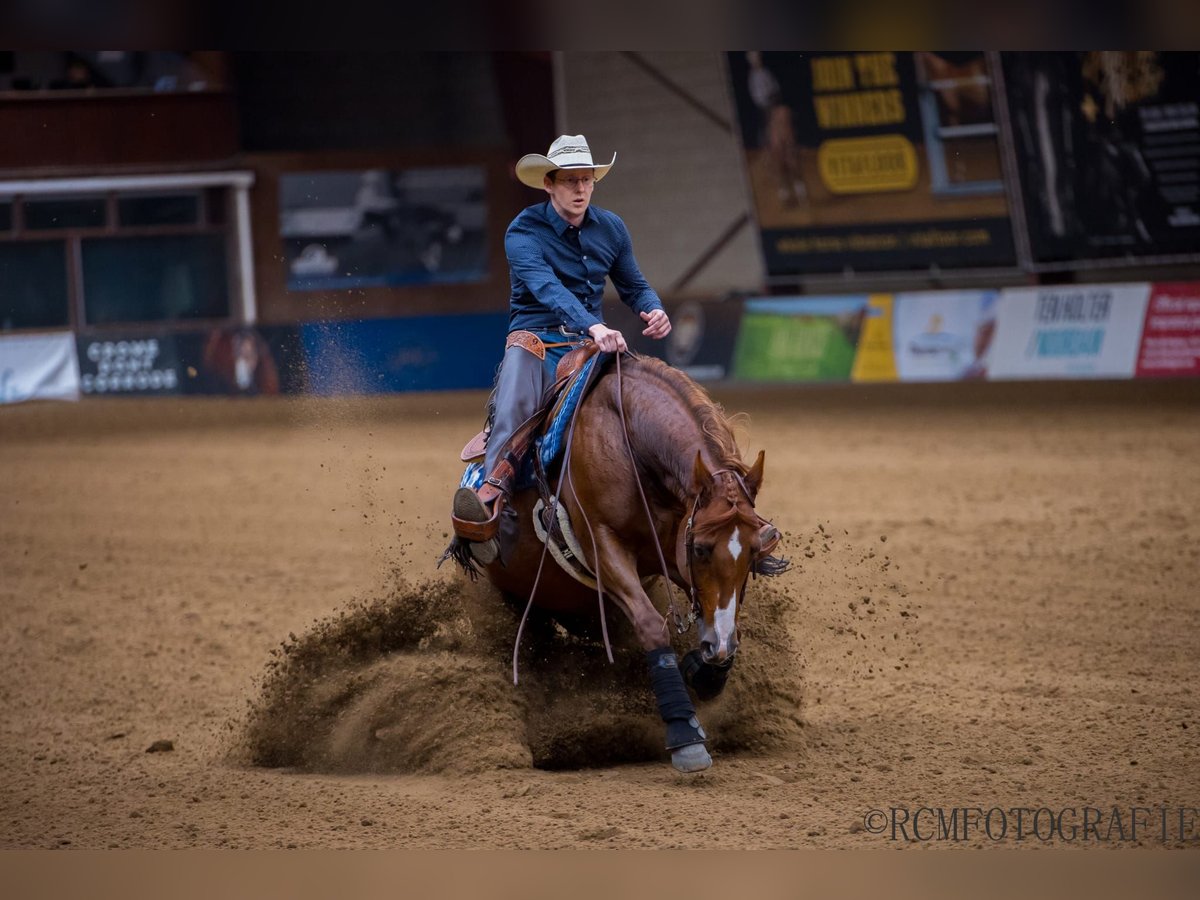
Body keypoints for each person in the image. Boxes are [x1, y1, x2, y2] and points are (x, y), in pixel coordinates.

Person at [451, 134, 672, 564]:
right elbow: (547, 289)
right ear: (548, 184)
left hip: (590, 343)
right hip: (535, 340)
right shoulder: (523, 231)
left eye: (586, 180)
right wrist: (594, 325)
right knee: (516, 406)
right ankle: (493, 500)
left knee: (646, 403)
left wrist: (654, 309)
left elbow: (634, 285)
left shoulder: (612, 227)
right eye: (570, 181)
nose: (580, 189)